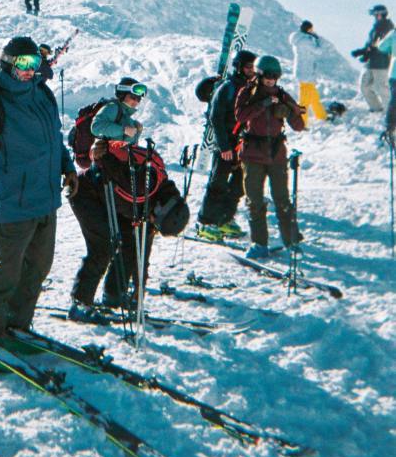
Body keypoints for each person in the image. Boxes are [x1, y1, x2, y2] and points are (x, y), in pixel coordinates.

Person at [0, 36, 78, 347]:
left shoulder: (42, 93)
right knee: (6, 274)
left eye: (35, 63)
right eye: (23, 64)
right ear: (7, 63)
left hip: (46, 200)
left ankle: (17, 326)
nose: (31, 70)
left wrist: (68, 168)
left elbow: (54, 138)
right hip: (15, 201)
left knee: (37, 270)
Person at [68, 77, 188, 316]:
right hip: (94, 185)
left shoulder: (130, 120)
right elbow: (97, 127)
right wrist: (124, 131)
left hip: (113, 179)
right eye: (132, 96)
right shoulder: (112, 108)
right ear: (122, 95)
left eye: (138, 98)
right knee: (103, 246)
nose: (136, 101)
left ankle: (115, 294)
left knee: (130, 241)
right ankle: (81, 303)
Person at [235, 55, 305, 259]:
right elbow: (240, 116)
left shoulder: (283, 95)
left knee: (282, 199)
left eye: (275, 77)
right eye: (267, 76)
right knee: (254, 200)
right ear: (259, 75)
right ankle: (259, 244)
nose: (271, 80)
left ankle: (291, 241)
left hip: (276, 155)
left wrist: (291, 111)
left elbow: (299, 126)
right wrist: (263, 104)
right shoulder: (247, 93)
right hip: (252, 154)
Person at [196, 50, 257, 240]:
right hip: (226, 142)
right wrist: (224, 147)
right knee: (218, 182)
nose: (251, 71)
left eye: (254, 68)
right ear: (239, 67)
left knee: (239, 185)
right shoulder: (228, 87)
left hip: (243, 144)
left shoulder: (252, 88)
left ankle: (225, 220)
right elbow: (216, 116)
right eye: (248, 67)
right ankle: (206, 223)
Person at [352, 5, 394, 112]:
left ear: (380, 14)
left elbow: (380, 45)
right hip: (372, 61)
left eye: (375, 14)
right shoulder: (376, 27)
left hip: (381, 62)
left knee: (381, 87)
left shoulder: (387, 27)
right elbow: (371, 44)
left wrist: (365, 52)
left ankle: (391, 113)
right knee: (364, 86)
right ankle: (376, 108)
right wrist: (364, 52)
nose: (374, 17)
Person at [289, 20, 327, 126]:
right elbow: (318, 51)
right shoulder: (305, 41)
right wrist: (318, 39)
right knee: (304, 101)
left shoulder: (299, 39)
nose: (312, 31)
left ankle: (322, 116)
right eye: (311, 29)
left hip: (304, 71)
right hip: (306, 73)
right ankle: (302, 123)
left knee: (314, 98)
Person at [376, 27, 396, 141]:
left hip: (394, 73)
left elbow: (382, 46)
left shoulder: (394, 34)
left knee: (394, 101)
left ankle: (390, 126)